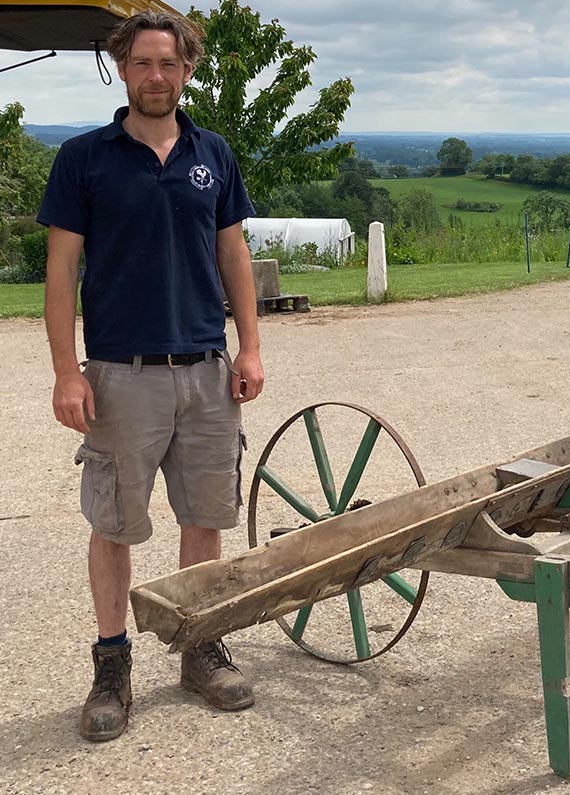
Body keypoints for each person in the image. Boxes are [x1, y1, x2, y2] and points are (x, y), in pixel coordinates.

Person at [38, 11, 264, 741]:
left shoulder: (213, 154)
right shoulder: (84, 158)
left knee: (204, 517)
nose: (156, 76)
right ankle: (112, 666)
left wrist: (250, 347)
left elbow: (233, 255)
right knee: (114, 523)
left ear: (187, 69)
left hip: (205, 368)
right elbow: (62, 268)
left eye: (169, 64)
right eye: (142, 63)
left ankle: (199, 647)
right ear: (122, 68)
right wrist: (66, 371)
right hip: (119, 373)